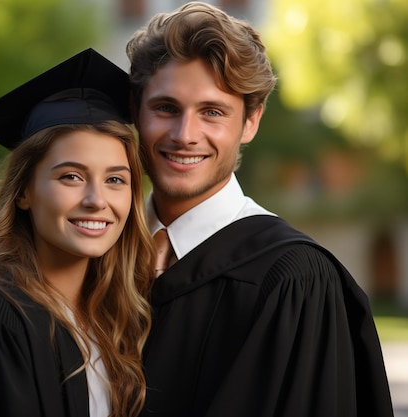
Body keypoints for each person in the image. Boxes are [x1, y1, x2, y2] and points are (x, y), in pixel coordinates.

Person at [125, 2, 394, 416]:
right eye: (166, 108)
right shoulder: (103, 253)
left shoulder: (294, 278)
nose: (184, 135)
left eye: (212, 112)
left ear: (250, 122)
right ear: (136, 113)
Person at [0, 48, 155, 417]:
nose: (96, 200)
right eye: (71, 176)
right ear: (23, 192)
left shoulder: (110, 323)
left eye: (116, 179)